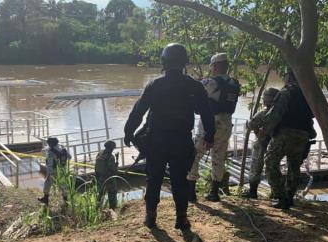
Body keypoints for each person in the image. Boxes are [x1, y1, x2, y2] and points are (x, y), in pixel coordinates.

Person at [124, 43, 215, 230]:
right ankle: (181, 219)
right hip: (181, 141)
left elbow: (138, 111)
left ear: (164, 62)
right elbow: (206, 113)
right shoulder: (195, 86)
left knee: (154, 179)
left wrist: (128, 131)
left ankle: (150, 218)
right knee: (180, 181)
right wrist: (210, 136)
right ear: (184, 62)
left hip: (156, 141)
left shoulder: (155, 85)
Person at [187, 53, 240, 202]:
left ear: (215, 66)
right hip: (226, 124)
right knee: (219, 157)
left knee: (195, 154)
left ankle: (191, 192)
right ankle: (214, 192)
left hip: (210, 123)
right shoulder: (234, 83)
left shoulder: (210, 82)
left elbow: (196, 96)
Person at [262, 68, 315, 210]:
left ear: (290, 76)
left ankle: (281, 196)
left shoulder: (286, 92)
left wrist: (265, 130)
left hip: (285, 133)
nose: (284, 78)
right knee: (294, 166)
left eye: (285, 76)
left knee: (270, 161)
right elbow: (314, 115)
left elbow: (275, 114)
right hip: (303, 135)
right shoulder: (309, 93)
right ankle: (289, 197)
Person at [242, 87, 279, 199]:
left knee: (256, 166)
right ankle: (275, 193)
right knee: (273, 167)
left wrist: (255, 129)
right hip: (275, 143)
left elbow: (250, 125)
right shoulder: (281, 113)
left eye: (265, 97)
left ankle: (253, 192)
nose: (263, 99)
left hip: (262, 142)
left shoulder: (263, 113)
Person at [39, 136, 71, 205]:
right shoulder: (63, 148)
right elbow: (69, 157)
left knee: (47, 184)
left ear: (51, 143)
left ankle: (45, 199)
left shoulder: (51, 152)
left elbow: (50, 164)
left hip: (53, 171)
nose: (48, 144)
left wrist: (48, 174)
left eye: (48, 143)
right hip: (62, 170)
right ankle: (66, 201)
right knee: (63, 186)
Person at [95, 140, 119, 209]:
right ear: (111, 148)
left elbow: (96, 166)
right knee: (112, 194)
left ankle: (98, 208)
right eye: (113, 148)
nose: (113, 149)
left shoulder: (99, 153)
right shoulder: (110, 157)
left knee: (100, 194)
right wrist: (117, 160)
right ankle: (113, 209)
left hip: (100, 178)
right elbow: (114, 170)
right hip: (109, 178)